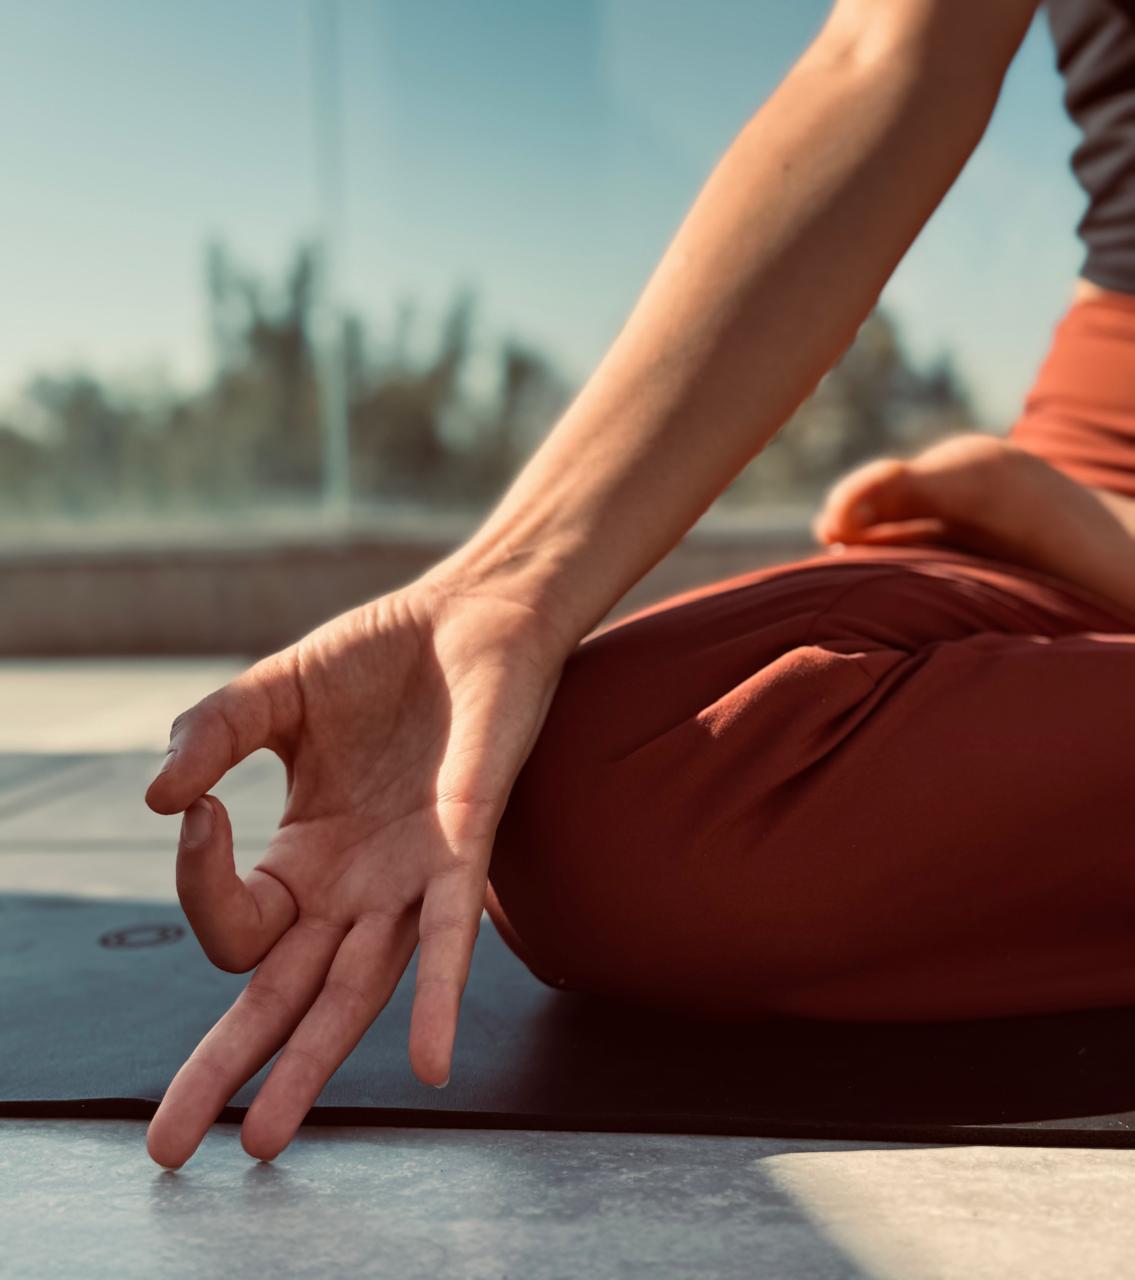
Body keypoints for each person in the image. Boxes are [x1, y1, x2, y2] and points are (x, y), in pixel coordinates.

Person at [143, 0, 1135, 1169]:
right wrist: (511, 585)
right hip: (1100, 425)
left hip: (1076, 515)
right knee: (619, 794)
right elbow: (887, 53)